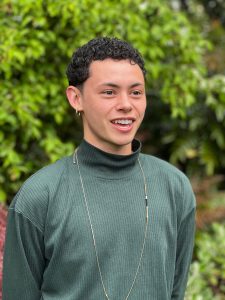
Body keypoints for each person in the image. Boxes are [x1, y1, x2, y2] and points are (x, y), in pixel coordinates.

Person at [3, 37, 196, 300]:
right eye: (109, 92)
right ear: (76, 98)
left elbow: (175, 291)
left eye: (136, 92)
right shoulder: (39, 196)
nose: (126, 104)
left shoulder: (175, 187)